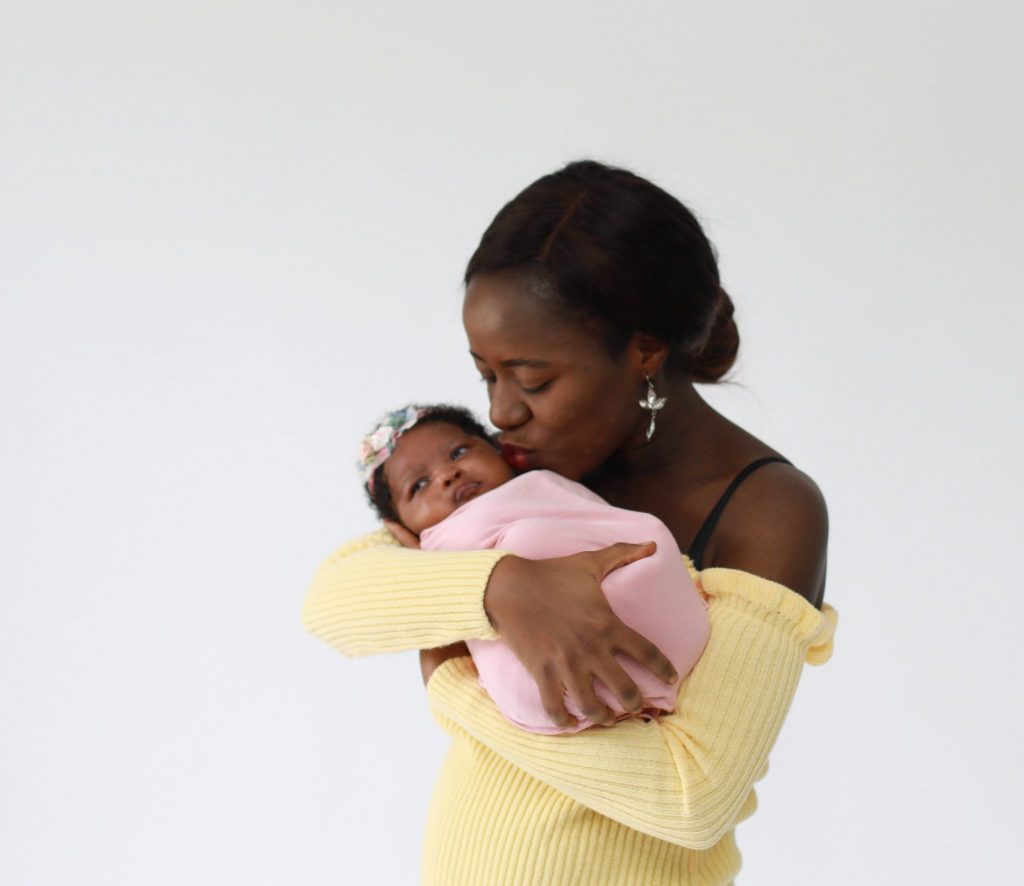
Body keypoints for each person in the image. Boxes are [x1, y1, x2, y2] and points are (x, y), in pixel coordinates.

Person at [303, 159, 838, 885]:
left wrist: (454, 685)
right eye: (485, 376)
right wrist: (501, 589)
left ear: (645, 349)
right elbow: (335, 601)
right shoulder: (521, 467)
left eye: (532, 380)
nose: (499, 413)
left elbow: (692, 796)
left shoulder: (765, 509)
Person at [356, 402, 710, 734]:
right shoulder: (434, 552)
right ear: (402, 527)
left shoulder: (541, 484)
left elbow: (601, 521)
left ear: (498, 450)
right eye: (419, 485)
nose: (448, 474)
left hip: (643, 608)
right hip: (555, 681)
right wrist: (424, 550)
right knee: (526, 541)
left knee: (537, 536)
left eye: (458, 452)